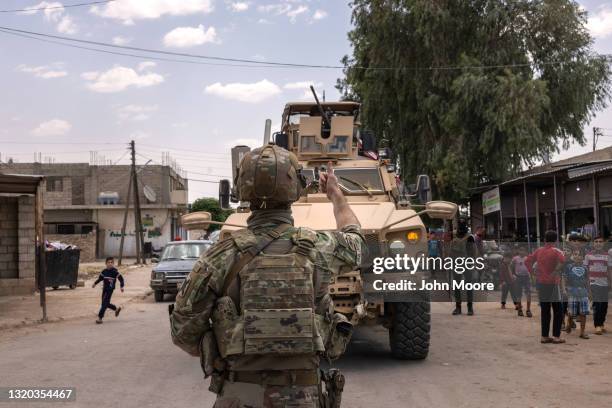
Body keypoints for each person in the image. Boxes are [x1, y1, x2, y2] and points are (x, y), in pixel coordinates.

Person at [169, 145, 365, 408]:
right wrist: (336, 195)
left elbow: (183, 332)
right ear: (296, 187)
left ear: (242, 190)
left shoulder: (220, 255)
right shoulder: (319, 247)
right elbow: (356, 243)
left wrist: (226, 344)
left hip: (239, 394)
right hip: (304, 398)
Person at [525, 230, 565, 344]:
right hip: (553, 283)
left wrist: (533, 274)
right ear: (556, 240)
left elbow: (527, 261)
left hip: (541, 283)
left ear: (544, 240)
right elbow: (562, 261)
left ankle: (544, 336)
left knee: (545, 310)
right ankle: (556, 336)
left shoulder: (539, 251)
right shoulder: (557, 251)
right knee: (558, 310)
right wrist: (555, 271)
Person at [584, 236, 611, 335]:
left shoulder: (607, 256)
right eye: (596, 241)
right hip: (593, 283)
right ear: (593, 243)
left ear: (603, 243)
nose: (598, 243)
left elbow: (609, 270)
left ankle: (602, 324)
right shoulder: (588, 256)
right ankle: (597, 325)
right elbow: (586, 273)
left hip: (605, 284)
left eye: (600, 241)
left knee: (604, 305)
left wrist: (611, 283)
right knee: (597, 305)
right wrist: (588, 287)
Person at [449, 218, 476, 316]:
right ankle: (458, 307)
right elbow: (451, 251)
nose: (460, 227)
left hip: (466, 264)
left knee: (468, 286)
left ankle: (469, 308)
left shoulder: (470, 237)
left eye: (462, 225)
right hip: (457, 264)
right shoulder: (455, 237)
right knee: (457, 286)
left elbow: (473, 252)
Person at [562, 249, 591, 339]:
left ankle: (582, 332)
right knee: (571, 312)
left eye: (579, 255)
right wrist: (564, 290)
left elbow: (587, 280)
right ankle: (569, 322)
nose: (577, 256)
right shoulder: (568, 267)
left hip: (583, 292)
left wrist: (589, 291)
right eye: (575, 254)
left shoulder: (585, 268)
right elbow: (564, 279)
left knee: (583, 313)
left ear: (582, 258)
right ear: (573, 256)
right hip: (572, 292)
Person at [92, 256, 124, 324]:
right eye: (108, 262)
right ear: (106, 263)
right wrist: (95, 283)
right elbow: (100, 278)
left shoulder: (115, 272)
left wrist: (121, 286)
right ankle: (116, 309)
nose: (110, 264)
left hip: (110, 290)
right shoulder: (104, 271)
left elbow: (121, 279)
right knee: (105, 303)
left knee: (104, 304)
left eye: (111, 262)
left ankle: (100, 318)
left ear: (113, 263)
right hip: (104, 289)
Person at [511, 246, 532, 317]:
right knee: (518, 294)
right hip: (518, 277)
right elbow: (511, 267)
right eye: (521, 250)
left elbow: (531, 267)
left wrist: (531, 275)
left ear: (525, 252)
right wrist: (513, 275)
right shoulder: (515, 259)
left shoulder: (528, 258)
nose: (522, 252)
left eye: (523, 251)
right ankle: (520, 310)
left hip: (526, 277)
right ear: (519, 251)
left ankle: (528, 310)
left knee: (528, 293)